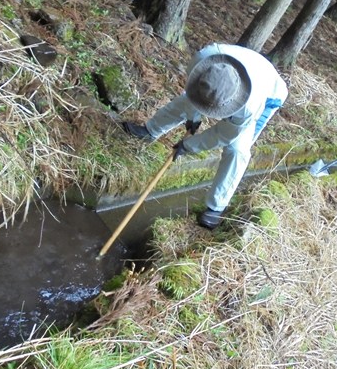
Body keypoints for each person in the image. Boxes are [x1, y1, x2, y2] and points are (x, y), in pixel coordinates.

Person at [122, 43, 288, 229]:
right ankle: (149, 131)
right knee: (187, 100)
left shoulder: (249, 107)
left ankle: (216, 207)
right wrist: (194, 118)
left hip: (269, 93)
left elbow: (225, 135)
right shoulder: (204, 60)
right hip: (241, 68)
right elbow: (192, 96)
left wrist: (188, 145)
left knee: (237, 150)